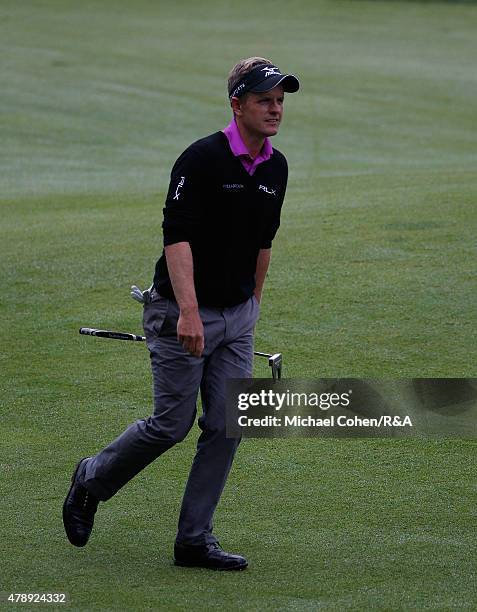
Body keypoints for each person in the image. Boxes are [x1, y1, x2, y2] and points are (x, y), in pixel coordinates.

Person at [63, 57, 299, 571]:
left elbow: (264, 242)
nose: (275, 109)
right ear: (237, 105)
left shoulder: (277, 166)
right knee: (171, 425)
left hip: (237, 317)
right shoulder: (201, 159)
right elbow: (178, 238)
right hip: (179, 312)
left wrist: (251, 309)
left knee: (226, 422)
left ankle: (194, 540)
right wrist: (189, 314)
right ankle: (91, 478)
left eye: (280, 101)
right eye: (264, 100)